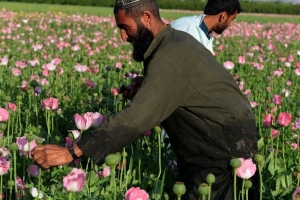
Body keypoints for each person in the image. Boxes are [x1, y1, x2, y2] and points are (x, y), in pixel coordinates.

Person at [32, 0, 258, 199]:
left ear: (146, 18)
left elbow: (136, 119)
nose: (123, 37)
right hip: (216, 141)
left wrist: (71, 152)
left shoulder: (169, 57)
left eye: (125, 27)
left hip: (223, 150)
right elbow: (185, 86)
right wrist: (147, 85)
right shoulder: (174, 42)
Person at [171, 0, 242, 54]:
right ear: (223, 16)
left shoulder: (206, 33)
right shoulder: (184, 26)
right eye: (231, 20)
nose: (229, 25)